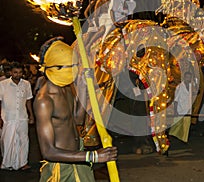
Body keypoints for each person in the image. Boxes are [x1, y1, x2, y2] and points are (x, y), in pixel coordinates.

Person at [33, 37, 117, 181]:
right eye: (71, 66)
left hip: (79, 158)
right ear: (56, 68)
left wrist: (84, 87)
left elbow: (77, 119)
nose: (76, 70)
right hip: (62, 168)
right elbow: (48, 151)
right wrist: (94, 156)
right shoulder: (44, 101)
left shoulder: (66, 88)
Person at [0, 61, 35, 170]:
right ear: (10, 72)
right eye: (15, 72)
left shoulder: (26, 84)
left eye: (20, 72)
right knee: (7, 141)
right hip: (8, 117)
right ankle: (7, 164)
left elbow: (28, 100)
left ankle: (23, 163)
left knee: (23, 140)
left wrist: (31, 115)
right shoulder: (3, 84)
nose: (18, 75)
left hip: (22, 117)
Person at [169, 71, 195, 142]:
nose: (188, 79)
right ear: (184, 78)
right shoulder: (179, 87)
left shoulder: (190, 86)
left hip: (188, 109)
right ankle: (172, 138)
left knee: (186, 126)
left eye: (189, 78)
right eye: (187, 77)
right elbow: (176, 100)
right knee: (176, 126)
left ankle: (183, 140)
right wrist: (175, 110)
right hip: (180, 109)